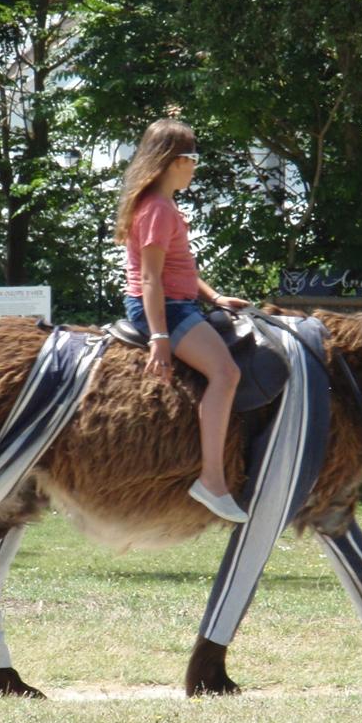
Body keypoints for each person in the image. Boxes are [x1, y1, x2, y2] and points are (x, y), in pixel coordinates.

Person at [115, 118, 250, 523]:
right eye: (192, 157)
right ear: (173, 162)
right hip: (164, 309)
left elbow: (179, 267)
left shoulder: (164, 205)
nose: (195, 166)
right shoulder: (157, 208)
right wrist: (159, 336)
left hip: (179, 303)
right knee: (225, 373)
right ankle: (212, 479)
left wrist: (213, 297)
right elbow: (151, 278)